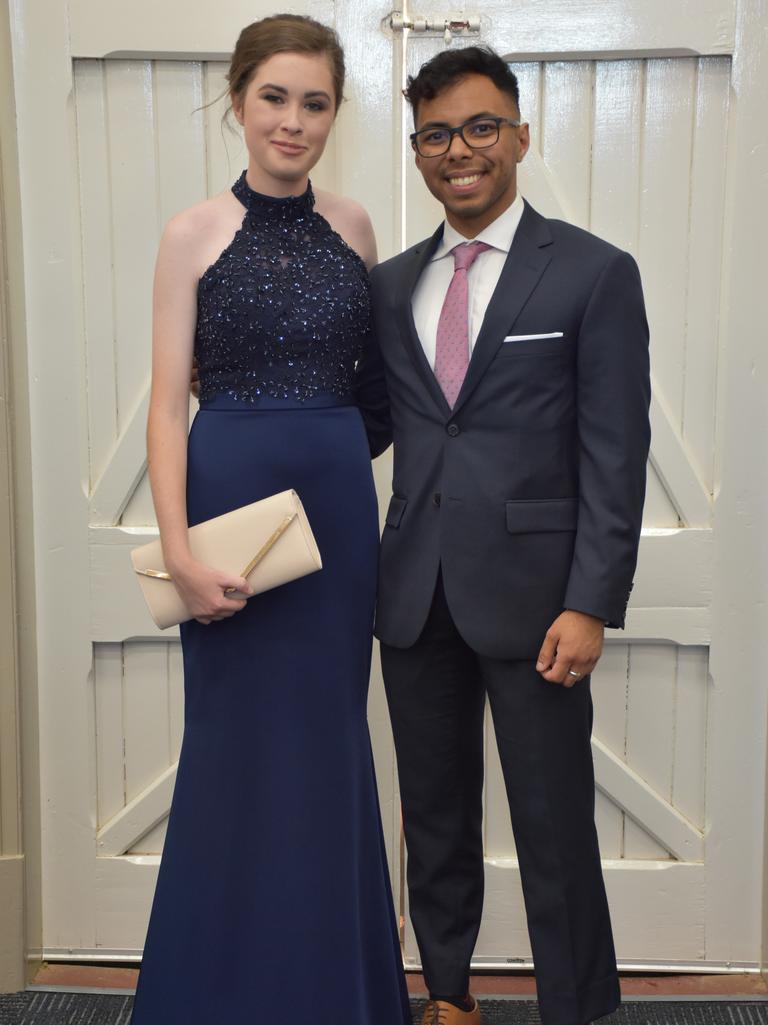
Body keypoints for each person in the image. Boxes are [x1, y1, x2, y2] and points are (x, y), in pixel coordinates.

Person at [358, 46, 651, 1025]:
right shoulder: (392, 285)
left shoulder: (594, 274)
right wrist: (240, 404)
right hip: (413, 595)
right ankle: (447, 996)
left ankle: (578, 1005)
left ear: (520, 135)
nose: (461, 151)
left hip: (539, 604)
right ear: (417, 152)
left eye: (482, 127)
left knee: (553, 824)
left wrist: (592, 598)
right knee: (434, 818)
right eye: (437, 135)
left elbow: (616, 449)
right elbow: (370, 426)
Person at [131, 15, 410, 1025]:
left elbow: (377, 394)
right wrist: (177, 549)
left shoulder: (357, 228)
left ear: (336, 112)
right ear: (239, 100)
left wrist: (328, 454)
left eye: (317, 103)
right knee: (232, 746)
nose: (294, 122)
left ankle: (333, 993)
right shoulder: (191, 233)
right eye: (275, 98)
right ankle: (213, 995)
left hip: (334, 519)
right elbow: (166, 404)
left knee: (329, 741)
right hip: (226, 513)